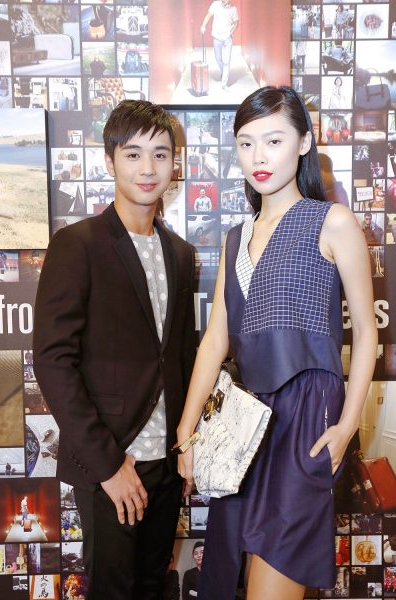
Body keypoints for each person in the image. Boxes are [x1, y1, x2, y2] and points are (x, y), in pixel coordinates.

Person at [176, 86, 377, 600]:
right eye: (246, 144)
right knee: (230, 578)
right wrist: (187, 429)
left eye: (273, 140)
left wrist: (347, 426)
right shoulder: (235, 238)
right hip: (243, 425)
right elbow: (215, 339)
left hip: (306, 418)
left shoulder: (332, 221)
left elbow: (368, 331)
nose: (258, 157)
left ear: (304, 143)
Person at [33, 99, 197, 600]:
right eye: (133, 154)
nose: (148, 168)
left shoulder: (181, 253)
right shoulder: (77, 244)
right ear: (110, 161)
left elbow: (181, 358)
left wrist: (186, 446)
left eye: (160, 154)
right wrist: (108, 465)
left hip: (167, 465)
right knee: (113, 591)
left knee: (152, 587)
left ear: (174, 163)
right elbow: (53, 360)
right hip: (112, 462)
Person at [200, 0, 239, 91]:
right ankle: (223, 72)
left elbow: (237, 23)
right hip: (216, 37)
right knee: (218, 58)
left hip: (227, 39)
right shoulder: (215, 4)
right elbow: (209, 15)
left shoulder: (233, 9)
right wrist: (203, 26)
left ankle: (224, 84)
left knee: (226, 61)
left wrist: (230, 33)